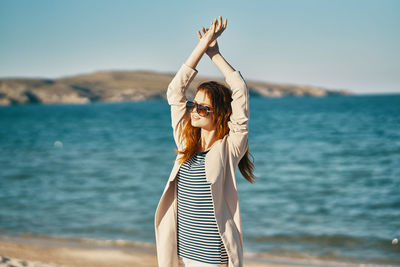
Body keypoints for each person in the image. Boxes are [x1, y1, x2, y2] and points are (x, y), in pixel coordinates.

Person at [154, 16, 256, 267]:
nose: (194, 110)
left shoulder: (229, 148)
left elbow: (240, 91)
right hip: (181, 254)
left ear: (219, 113)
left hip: (212, 259)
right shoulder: (185, 139)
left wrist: (216, 56)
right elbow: (175, 91)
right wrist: (202, 46)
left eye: (203, 108)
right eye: (193, 105)